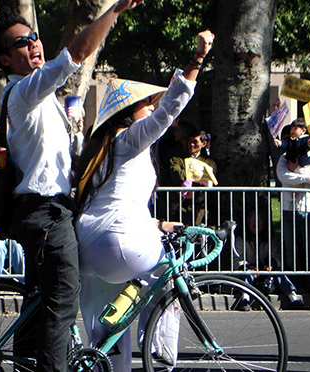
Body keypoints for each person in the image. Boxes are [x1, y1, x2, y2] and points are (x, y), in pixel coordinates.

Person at [0, 2, 146, 370]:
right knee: (61, 304)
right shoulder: (26, 91)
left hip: (47, 211)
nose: (33, 45)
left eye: (34, 37)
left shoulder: (43, 99)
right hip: (45, 215)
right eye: (21, 43)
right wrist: (116, 11)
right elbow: (76, 54)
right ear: (5, 61)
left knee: (39, 305)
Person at [73, 31, 214, 371]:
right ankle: (162, 359)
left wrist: (159, 224)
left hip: (87, 245)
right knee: (168, 272)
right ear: (128, 111)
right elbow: (168, 111)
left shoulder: (100, 147)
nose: (151, 109)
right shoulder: (129, 137)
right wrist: (196, 60)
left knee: (104, 333)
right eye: (145, 105)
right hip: (117, 241)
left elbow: (114, 200)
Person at [276, 137, 310, 302]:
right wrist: (306, 178)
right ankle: (294, 286)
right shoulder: (284, 158)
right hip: (288, 209)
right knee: (291, 250)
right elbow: (283, 176)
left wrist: (297, 170)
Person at [233, 208, 305, 310]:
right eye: (253, 220)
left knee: (279, 273)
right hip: (249, 270)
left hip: (266, 272)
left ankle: (294, 299)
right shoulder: (241, 239)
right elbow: (237, 258)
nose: (255, 224)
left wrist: (271, 265)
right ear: (248, 223)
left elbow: (276, 256)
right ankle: (245, 300)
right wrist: (249, 266)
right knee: (246, 273)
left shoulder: (270, 238)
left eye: (259, 221)